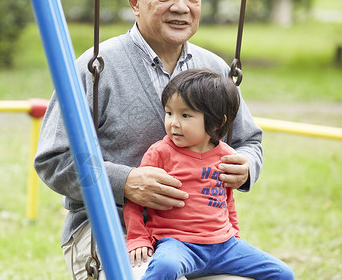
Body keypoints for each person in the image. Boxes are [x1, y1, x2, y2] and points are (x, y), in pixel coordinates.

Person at [34, 0, 263, 279]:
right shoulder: (96, 68)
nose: (181, 6)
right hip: (112, 227)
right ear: (135, 2)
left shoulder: (214, 69)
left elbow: (249, 141)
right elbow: (53, 159)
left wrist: (246, 165)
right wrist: (124, 181)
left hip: (198, 237)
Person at [124, 69, 294, 280]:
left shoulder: (226, 155)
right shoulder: (160, 152)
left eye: (185, 115)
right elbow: (135, 200)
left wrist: (235, 235)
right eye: (169, 113)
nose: (173, 123)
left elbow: (226, 200)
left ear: (216, 122)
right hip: (178, 244)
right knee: (164, 267)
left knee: (283, 273)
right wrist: (138, 238)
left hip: (224, 247)